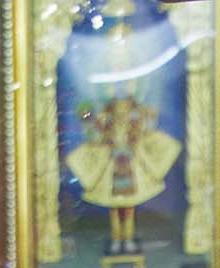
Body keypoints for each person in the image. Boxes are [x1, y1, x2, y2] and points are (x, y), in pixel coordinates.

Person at [65, 93, 181, 255]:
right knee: (114, 207)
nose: (122, 114)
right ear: (112, 110)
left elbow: (148, 126)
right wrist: (87, 116)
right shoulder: (106, 125)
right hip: (112, 170)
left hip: (129, 169)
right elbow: (88, 122)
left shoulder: (135, 125)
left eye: (125, 110)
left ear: (130, 110)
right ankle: (117, 238)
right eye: (118, 110)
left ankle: (128, 238)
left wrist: (149, 116)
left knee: (129, 207)